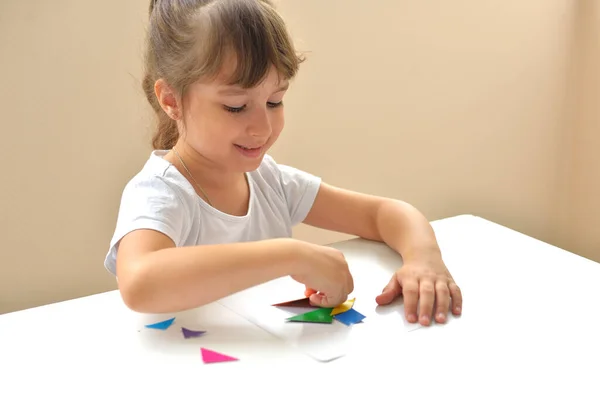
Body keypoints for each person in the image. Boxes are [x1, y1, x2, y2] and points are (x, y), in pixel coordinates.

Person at [104, 0, 462, 327]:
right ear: (171, 100)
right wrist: (290, 255)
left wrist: (423, 259)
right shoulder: (160, 192)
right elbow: (140, 283)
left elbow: (385, 213)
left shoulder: (268, 181)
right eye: (235, 106)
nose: (262, 127)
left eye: (275, 101)